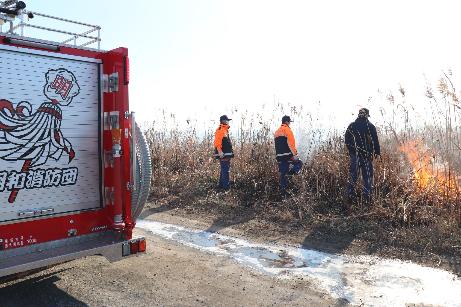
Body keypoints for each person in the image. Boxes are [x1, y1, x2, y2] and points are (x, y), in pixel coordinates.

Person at [344, 108, 380, 204]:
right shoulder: (370, 126)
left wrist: (351, 151)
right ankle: (367, 198)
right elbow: (375, 141)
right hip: (366, 156)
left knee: (353, 176)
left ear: (359, 115)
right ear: (367, 115)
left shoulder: (352, 126)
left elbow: (346, 140)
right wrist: (377, 153)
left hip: (355, 156)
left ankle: (350, 197)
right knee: (367, 177)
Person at [274, 115, 303, 194]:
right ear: (287, 122)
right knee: (299, 163)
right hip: (287, 155)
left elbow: (277, 146)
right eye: (289, 122)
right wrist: (295, 154)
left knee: (283, 173)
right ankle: (291, 173)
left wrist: (278, 156)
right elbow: (291, 144)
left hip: (279, 156)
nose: (290, 123)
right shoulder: (287, 130)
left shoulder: (276, 132)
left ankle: (283, 192)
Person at [214, 115, 234, 190]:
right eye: (227, 120)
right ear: (223, 121)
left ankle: (221, 186)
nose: (228, 122)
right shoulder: (220, 130)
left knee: (224, 170)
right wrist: (220, 151)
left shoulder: (224, 130)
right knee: (225, 170)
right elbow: (217, 142)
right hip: (223, 154)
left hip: (226, 154)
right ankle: (226, 188)